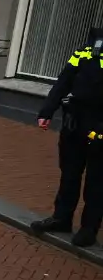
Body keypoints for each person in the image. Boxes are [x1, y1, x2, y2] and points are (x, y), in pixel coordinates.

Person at [32, 26, 103, 247]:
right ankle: (61, 219)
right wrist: (47, 110)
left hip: (100, 125)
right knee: (69, 174)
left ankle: (89, 229)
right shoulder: (86, 49)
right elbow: (64, 81)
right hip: (75, 123)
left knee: (97, 180)